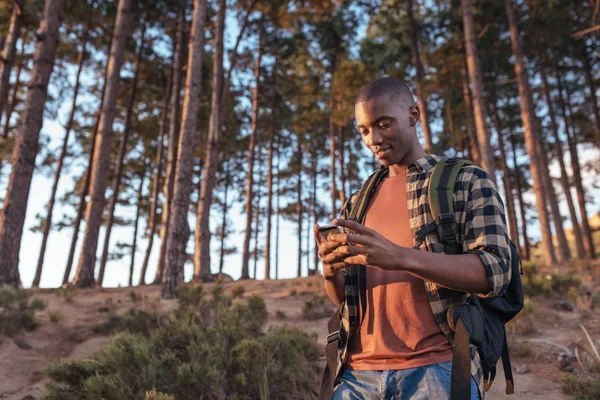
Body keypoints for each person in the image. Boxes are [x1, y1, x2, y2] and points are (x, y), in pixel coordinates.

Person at [314, 77, 512, 400]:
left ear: (413, 115)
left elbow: (495, 270)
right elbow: (344, 300)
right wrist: (330, 271)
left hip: (437, 373)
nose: (373, 139)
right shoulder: (357, 202)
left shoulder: (465, 181)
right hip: (355, 379)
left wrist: (402, 257)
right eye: (364, 130)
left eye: (383, 124)